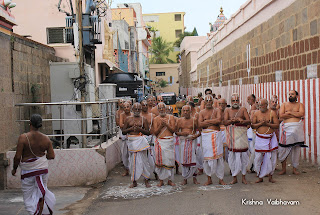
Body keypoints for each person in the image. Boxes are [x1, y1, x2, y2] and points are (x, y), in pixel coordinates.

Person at [12, 114, 55, 215]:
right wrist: (42, 156)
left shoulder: (23, 138)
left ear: (30, 123)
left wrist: (14, 169)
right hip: (42, 170)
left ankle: (35, 213)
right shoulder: (46, 139)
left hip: (28, 172)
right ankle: (40, 211)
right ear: (40, 125)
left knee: (28, 197)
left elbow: (17, 157)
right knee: (40, 193)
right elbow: (52, 156)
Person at [122, 103, 151, 188]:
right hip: (132, 142)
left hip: (140, 142)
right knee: (133, 163)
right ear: (132, 109)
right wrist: (131, 129)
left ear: (141, 110)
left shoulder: (143, 119)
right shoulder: (128, 119)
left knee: (144, 162)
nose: (137, 111)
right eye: (136, 109)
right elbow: (124, 131)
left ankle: (146, 180)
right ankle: (134, 181)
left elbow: (148, 132)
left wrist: (139, 129)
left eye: (139, 109)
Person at [199, 95, 226, 186]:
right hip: (206, 136)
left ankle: (220, 179)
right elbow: (200, 124)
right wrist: (210, 121)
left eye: (210, 100)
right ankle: (209, 179)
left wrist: (206, 121)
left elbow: (219, 120)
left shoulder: (217, 110)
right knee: (207, 158)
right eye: (207, 100)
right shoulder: (202, 112)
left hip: (216, 135)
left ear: (212, 102)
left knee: (219, 158)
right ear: (205, 102)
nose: (209, 102)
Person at [224, 93, 251, 184]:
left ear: (239, 101)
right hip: (232, 137)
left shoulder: (243, 109)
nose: (235, 102)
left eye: (237, 100)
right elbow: (225, 122)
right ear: (230, 102)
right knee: (232, 158)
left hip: (241, 136)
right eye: (233, 101)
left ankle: (243, 177)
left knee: (244, 157)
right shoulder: (227, 110)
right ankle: (234, 177)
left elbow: (249, 121)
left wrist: (242, 120)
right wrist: (231, 121)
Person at [251, 99, 279, 183]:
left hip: (270, 138)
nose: (260, 107)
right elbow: (253, 125)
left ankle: (270, 176)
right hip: (260, 138)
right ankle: (260, 176)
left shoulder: (272, 113)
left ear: (266, 105)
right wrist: (260, 124)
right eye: (259, 105)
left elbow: (277, 125)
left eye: (262, 105)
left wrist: (267, 124)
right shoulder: (256, 113)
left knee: (271, 158)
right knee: (258, 158)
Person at [278, 90, 306, 175]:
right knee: (283, 148)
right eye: (289, 94)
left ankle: (294, 169)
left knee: (296, 149)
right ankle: (283, 169)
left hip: (297, 129)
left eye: (292, 94)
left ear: (297, 96)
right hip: (286, 128)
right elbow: (281, 115)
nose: (290, 95)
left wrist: (289, 113)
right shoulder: (284, 104)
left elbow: (301, 114)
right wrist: (295, 114)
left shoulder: (300, 104)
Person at [153, 102, 177, 187]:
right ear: (158, 110)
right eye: (159, 108)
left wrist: (166, 124)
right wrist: (160, 126)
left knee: (169, 161)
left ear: (165, 109)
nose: (161, 110)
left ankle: (170, 180)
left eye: (163, 108)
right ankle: (161, 180)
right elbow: (155, 132)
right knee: (160, 162)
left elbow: (173, 130)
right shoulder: (155, 119)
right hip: (160, 142)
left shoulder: (171, 117)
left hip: (169, 142)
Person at [176, 105, 201, 185]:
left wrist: (195, 136)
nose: (186, 112)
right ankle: (185, 179)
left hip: (192, 142)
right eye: (184, 111)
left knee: (194, 159)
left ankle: (194, 178)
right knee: (184, 160)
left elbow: (200, 131)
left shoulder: (194, 120)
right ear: (182, 112)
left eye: (187, 111)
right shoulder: (179, 120)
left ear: (190, 111)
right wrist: (182, 133)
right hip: (183, 142)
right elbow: (176, 132)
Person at [141, 100, 157, 178]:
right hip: (141, 139)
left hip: (151, 138)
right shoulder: (138, 116)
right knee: (144, 157)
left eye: (146, 105)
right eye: (143, 105)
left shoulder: (152, 116)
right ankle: (146, 175)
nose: (145, 106)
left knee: (153, 156)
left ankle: (155, 172)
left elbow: (155, 127)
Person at [119, 102, 133, 176]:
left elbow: (135, 125)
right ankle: (126, 170)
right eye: (125, 107)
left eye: (128, 107)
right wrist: (129, 126)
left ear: (130, 107)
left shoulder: (133, 115)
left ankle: (133, 170)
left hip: (132, 136)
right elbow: (121, 125)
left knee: (132, 154)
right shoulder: (122, 115)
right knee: (124, 154)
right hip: (124, 136)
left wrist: (126, 127)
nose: (126, 108)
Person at [166, 105, 180, 175]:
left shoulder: (176, 119)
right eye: (168, 110)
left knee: (176, 154)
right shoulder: (164, 118)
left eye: (170, 110)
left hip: (174, 137)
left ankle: (177, 170)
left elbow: (176, 129)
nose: (169, 112)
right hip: (167, 138)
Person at [218, 99, 229, 163]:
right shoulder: (216, 112)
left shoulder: (229, 111)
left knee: (228, 151)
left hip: (227, 132)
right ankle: (220, 170)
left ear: (226, 104)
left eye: (223, 104)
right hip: (219, 132)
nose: (221, 105)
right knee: (219, 151)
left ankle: (231, 167)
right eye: (220, 104)